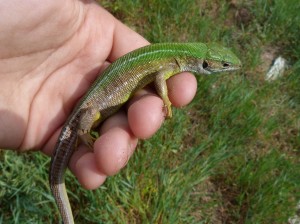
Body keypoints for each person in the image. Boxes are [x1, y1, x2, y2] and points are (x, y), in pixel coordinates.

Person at [0, 1, 197, 189]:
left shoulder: (173, 58)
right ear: (203, 63)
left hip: (102, 98)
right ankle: (82, 132)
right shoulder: (171, 62)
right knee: (91, 117)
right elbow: (160, 78)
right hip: (92, 108)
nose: (226, 69)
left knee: (108, 136)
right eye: (223, 66)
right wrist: (165, 100)